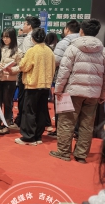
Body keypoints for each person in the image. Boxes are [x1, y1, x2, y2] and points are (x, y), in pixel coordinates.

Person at [51, 19, 105, 163]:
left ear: (81, 31)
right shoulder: (102, 50)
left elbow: (64, 71)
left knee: (67, 122)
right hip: (93, 94)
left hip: (73, 91)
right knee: (87, 125)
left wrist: (58, 90)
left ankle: (63, 152)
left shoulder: (73, 48)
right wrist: (102, 94)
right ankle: (81, 155)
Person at [8, 28, 55, 146]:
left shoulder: (32, 51)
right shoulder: (49, 51)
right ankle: (38, 136)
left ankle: (28, 137)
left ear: (32, 38)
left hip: (33, 84)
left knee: (29, 111)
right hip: (46, 85)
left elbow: (24, 66)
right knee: (41, 111)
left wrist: (13, 69)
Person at [13, 16, 42, 128]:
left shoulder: (29, 38)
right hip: (38, 75)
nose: (23, 26)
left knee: (24, 99)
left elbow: (25, 59)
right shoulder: (40, 39)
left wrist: (17, 68)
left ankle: (22, 122)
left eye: (25, 24)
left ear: (30, 26)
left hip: (27, 73)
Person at [0, 27, 22, 135]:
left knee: (7, 102)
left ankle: (7, 121)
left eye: (7, 37)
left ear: (12, 37)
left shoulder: (18, 51)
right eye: (3, 37)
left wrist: (12, 69)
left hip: (10, 80)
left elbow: (21, 66)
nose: (5, 39)